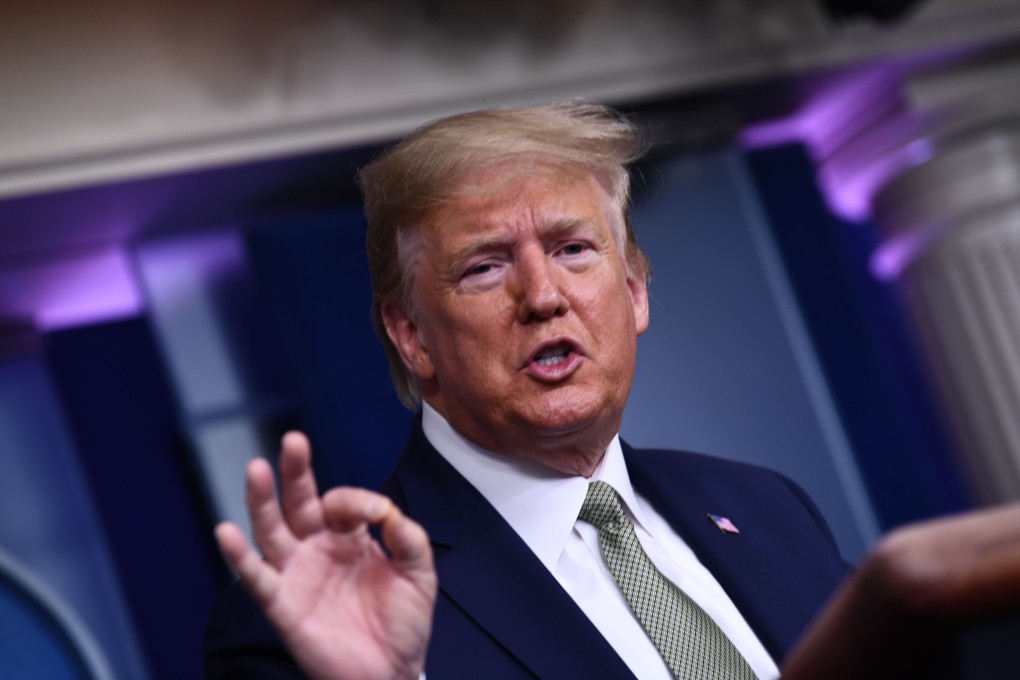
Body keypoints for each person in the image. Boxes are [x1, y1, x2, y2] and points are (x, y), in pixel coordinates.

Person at [204, 100, 850, 680]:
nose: (543, 297)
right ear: (411, 336)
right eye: (485, 268)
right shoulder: (315, 616)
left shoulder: (766, 505)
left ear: (634, 293)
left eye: (572, 249)